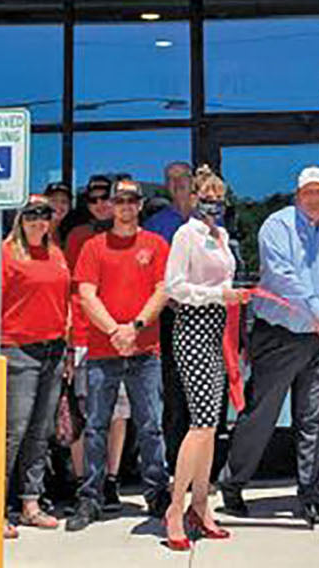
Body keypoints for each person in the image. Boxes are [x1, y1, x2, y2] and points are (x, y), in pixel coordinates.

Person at [218, 166, 319, 527]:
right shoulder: (275, 227)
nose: (314, 198)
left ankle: (310, 492)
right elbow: (283, 278)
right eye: (308, 192)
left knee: (311, 418)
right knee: (261, 414)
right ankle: (233, 483)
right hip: (278, 336)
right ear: (297, 196)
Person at [67, 178, 172, 532]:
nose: (125, 206)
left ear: (140, 205)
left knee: (151, 427)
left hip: (145, 350)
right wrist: (115, 330)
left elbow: (163, 290)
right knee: (95, 427)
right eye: (119, 200)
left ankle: (158, 493)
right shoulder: (94, 246)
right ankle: (90, 498)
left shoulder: (156, 245)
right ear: (111, 206)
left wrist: (135, 327)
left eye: (131, 200)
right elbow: (86, 293)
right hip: (101, 350)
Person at [161, 165, 247, 549]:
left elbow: (221, 279)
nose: (215, 206)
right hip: (193, 327)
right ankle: (175, 509)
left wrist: (233, 293)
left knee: (212, 424)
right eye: (208, 199)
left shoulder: (223, 236)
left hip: (218, 327)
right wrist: (217, 296)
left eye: (219, 199)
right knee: (199, 423)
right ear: (195, 199)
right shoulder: (186, 234)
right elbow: (174, 287)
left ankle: (201, 505)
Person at [0, 194, 70, 535]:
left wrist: (68, 343)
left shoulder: (56, 253)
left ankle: (30, 502)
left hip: (53, 350)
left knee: (40, 431)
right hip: (17, 350)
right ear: (19, 218)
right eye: (31, 214)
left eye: (44, 214)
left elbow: (65, 300)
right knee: (11, 432)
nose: (38, 220)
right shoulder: (4, 254)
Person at [61, 175, 129, 513]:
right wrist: (71, 336)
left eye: (108, 198)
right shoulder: (78, 236)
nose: (102, 204)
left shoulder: (132, 236)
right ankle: (82, 482)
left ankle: (111, 480)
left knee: (119, 412)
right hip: (85, 334)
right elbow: (72, 288)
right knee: (82, 413)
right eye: (94, 199)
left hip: (122, 335)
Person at [145, 161, 196, 471]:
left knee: (204, 397)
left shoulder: (208, 218)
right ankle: (177, 465)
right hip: (170, 318)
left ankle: (206, 468)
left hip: (206, 317)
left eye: (182, 178)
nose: (176, 183)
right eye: (170, 179)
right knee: (175, 395)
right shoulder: (156, 223)